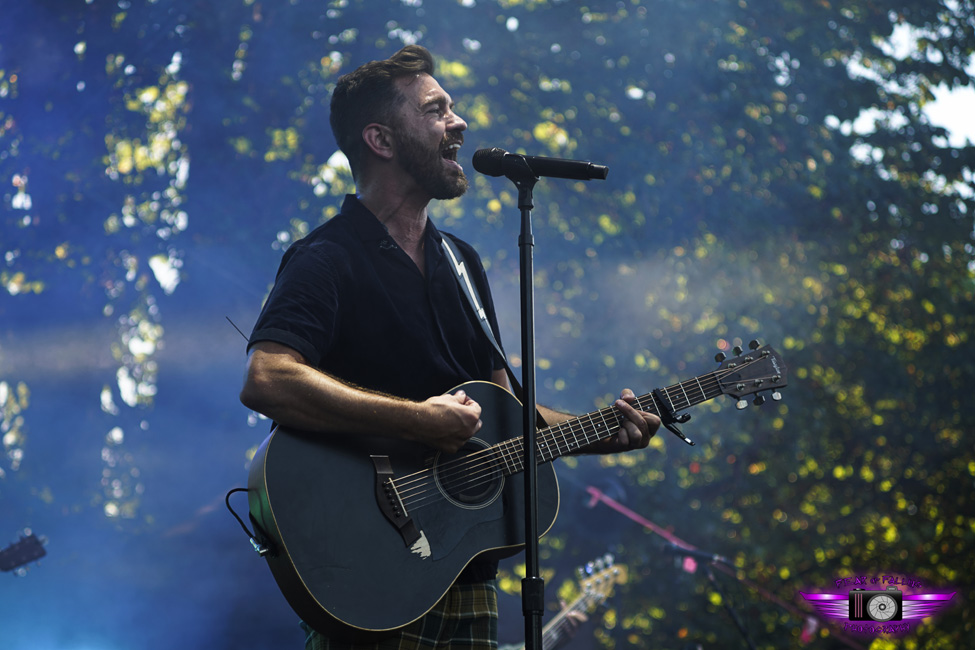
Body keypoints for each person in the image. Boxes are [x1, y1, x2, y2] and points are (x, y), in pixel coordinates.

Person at [239, 44, 661, 650]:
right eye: (436, 110)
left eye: (453, 108)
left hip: (465, 579)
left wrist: (599, 431)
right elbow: (268, 378)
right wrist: (419, 422)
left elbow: (505, 410)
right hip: (372, 580)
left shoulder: (460, 261)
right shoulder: (327, 258)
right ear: (381, 140)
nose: (458, 122)